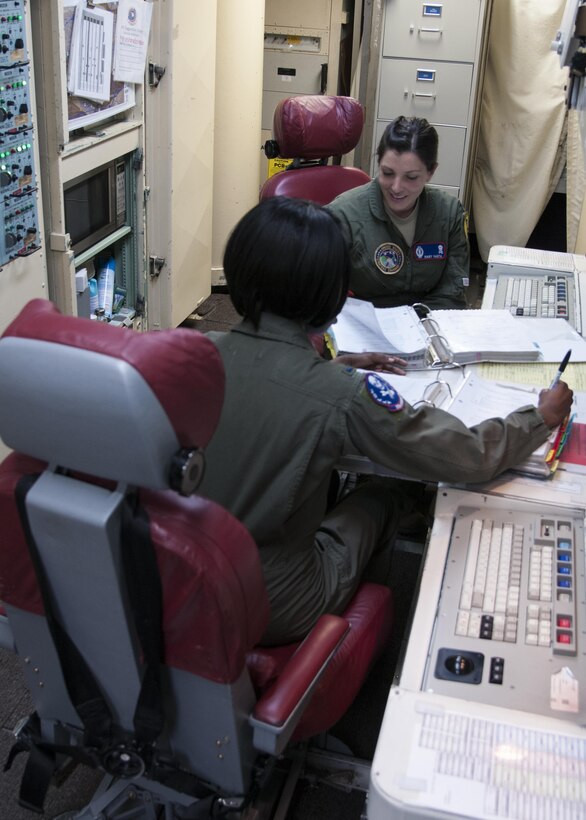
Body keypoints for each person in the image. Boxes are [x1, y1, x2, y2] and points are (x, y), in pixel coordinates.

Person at [198, 196, 572, 646]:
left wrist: (338, 364)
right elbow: (467, 456)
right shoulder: (344, 394)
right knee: (390, 491)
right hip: (276, 601)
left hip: (183, 570)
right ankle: (373, 644)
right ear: (330, 296)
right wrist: (539, 417)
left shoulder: (194, 354)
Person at [327, 115, 469, 310]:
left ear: (431, 172)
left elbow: (452, 293)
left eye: (410, 177)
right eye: (387, 173)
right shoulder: (343, 215)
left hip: (429, 326)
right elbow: (320, 293)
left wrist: (419, 323)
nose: (396, 187)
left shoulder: (449, 214)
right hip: (366, 327)